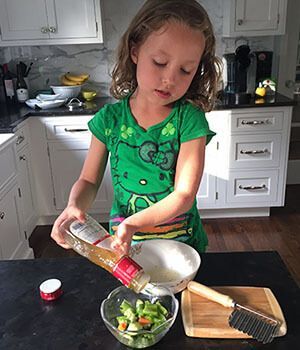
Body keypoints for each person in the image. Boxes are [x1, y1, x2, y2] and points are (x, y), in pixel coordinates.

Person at [51, 0, 222, 255]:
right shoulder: (110, 119)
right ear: (135, 51)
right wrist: (75, 205)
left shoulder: (189, 120)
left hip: (180, 245)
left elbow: (184, 195)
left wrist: (133, 223)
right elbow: (88, 180)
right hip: (125, 245)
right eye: (160, 62)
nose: (170, 79)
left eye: (186, 70)